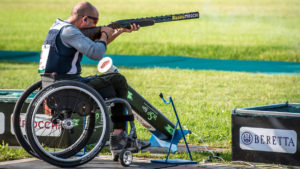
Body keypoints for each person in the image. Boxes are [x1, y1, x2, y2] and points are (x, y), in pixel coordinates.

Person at [38, 1, 150, 152]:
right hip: (70, 88)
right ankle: (119, 137)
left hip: (56, 85)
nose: (96, 25)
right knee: (117, 80)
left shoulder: (58, 27)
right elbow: (96, 53)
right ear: (84, 19)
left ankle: (120, 136)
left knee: (111, 81)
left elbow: (96, 47)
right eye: (95, 21)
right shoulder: (70, 32)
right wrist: (104, 33)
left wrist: (119, 31)